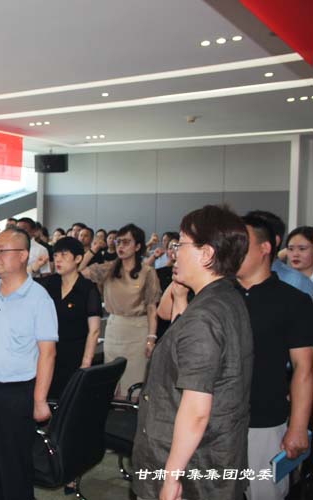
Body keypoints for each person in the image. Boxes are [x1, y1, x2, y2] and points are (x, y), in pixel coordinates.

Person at [132, 204, 253, 500]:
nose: (174, 253)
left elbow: (196, 410)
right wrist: (180, 297)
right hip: (214, 456)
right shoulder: (225, 298)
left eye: (181, 244)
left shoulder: (204, 316)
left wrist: (171, 478)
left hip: (192, 467)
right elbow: (186, 350)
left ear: (207, 254)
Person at [0, 227, 58, 500]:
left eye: (2, 251)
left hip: (14, 395)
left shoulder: (38, 298)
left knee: (14, 470)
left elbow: (47, 353)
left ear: (22, 255)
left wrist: (39, 400)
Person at [236, 214, 313, 500]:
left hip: (265, 421)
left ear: (265, 248)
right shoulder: (219, 297)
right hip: (217, 421)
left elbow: (304, 368)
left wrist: (298, 427)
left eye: (241, 243)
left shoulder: (293, 301)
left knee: (263, 491)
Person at [80, 224, 161, 397]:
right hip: (114, 328)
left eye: (126, 242)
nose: (120, 246)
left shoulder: (147, 272)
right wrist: (93, 250)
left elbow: (152, 308)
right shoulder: (109, 268)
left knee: (134, 385)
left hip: (138, 330)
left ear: (137, 246)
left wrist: (151, 338)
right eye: (118, 242)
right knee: (111, 383)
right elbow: (78, 271)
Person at [37, 237, 102, 399]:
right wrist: (35, 266)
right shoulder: (50, 283)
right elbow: (23, 283)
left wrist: (85, 364)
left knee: (69, 401)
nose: (58, 259)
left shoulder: (87, 288)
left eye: (64, 255)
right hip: (48, 353)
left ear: (78, 259)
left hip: (75, 354)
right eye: (56, 255)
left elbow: (94, 331)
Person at [245, 210, 313, 297]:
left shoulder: (297, 282)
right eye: (290, 249)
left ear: (274, 241)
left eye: (302, 249)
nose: (242, 244)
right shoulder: (235, 278)